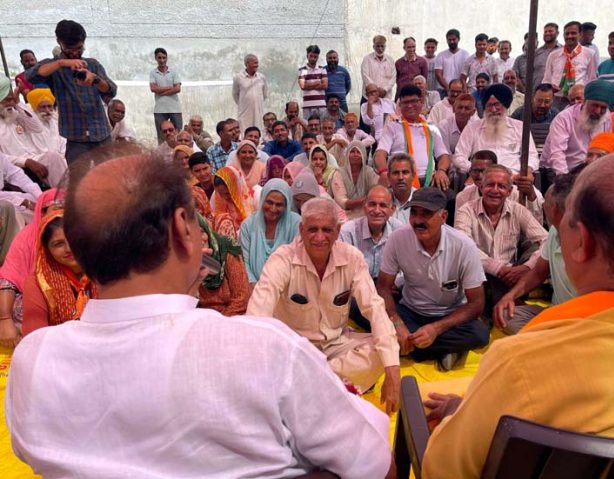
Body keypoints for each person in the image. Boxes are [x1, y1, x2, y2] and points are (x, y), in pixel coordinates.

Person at [7, 152, 393, 478]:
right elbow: (375, 464)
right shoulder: (266, 350)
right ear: (182, 228)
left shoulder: (32, 363)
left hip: (332, 346)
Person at [421, 153, 614, 478]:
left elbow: (442, 470)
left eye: (562, 221)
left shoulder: (520, 362)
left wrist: (460, 414)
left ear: (582, 242)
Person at [247, 197, 401, 410]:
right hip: (295, 349)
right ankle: (329, 384)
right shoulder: (282, 259)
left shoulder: (352, 258)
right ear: (301, 230)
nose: (320, 238)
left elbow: (374, 308)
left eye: (327, 230)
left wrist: (393, 370)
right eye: (313, 230)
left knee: (383, 351)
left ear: (338, 231)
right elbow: (258, 315)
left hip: (335, 343)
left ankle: (305, 386)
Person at [377, 188, 489, 371]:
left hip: (449, 317)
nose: (418, 221)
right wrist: (397, 323)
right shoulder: (398, 238)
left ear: (443, 216)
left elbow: (476, 303)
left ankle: (408, 347)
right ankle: (440, 349)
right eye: (414, 213)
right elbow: (383, 287)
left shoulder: (464, 246)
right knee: (362, 308)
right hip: (409, 311)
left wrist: (436, 329)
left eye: (426, 214)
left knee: (480, 334)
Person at [454, 165, 548, 320]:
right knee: (470, 265)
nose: (495, 190)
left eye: (502, 186)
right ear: (481, 186)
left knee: (541, 252)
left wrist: (526, 267)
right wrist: (497, 269)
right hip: (480, 274)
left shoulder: (518, 210)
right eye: (490, 185)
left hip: (512, 274)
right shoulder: (466, 210)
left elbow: (546, 239)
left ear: (510, 191)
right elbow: (464, 246)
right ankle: (515, 300)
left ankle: (500, 303)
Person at [493, 170, 580, 334]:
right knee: (506, 315)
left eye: (544, 203)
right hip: (556, 315)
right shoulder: (555, 232)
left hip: (586, 320)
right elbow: (539, 272)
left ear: (552, 209)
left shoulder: (589, 241)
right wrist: (510, 296)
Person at [25, 19, 117, 164]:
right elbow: (31, 75)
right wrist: (62, 63)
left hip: (101, 132)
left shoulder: (92, 64)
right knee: (78, 180)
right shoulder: (54, 67)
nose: (75, 53)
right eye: (69, 48)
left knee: (109, 177)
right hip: (76, 138)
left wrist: (96, 80)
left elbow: (111, 91)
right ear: (59, 42)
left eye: (79, 48)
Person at [22, 210, 97, 336]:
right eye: (58, 244)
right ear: (47, 250)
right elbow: (34, 335)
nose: (69, 249)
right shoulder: (39, 282)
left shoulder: (107, 273)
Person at [0, 190, 57, 349]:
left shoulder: (79, 236)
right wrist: (4, 320)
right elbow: (9, 279)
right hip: (31, 302)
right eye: (56, 209)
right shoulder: (28, 237)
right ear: (42, 212)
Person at [374, 85, 450, 191]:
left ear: (421, 102)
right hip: (402, 180)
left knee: (450, 198)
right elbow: (379, 154)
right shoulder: (393, 127)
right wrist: (384, 172)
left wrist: (441, 170)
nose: (410, 106)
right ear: (400, 105)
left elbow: (443, 156)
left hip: (429, 180)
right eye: (405, 102)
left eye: (414, 101)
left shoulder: (431, 127)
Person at [453, 83, 538, 175]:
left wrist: (528, 170)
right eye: (489, 105)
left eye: (497, 104)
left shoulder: (520, 127)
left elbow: (532, 156)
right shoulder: (472, 128)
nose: (493, 110)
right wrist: (474, 169)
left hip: (514, 178)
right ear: (484, 107)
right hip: (481, 179)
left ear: (505, 105)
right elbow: (459, 156)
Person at [0, 77, 68, 188]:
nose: (11, 103)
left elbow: (37, 128)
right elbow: (1, 158)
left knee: (53, 158)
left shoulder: (15, 114)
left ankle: (68, 196)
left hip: (35, 159)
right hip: (14, 167)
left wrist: (18, 103)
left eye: (12, 99)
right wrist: (26, 161)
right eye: (7, 100)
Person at [541, 79, 613, 175]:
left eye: (603, 108)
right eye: (595, 106)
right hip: (558, 171)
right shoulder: (564, 118)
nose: (598, 111)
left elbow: (606, 149)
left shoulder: (606, 118)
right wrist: (565, 179)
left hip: (589, 171)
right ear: (584, 102)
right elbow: (557, 154)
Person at [454, 150, 544, 224]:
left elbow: (536, 225)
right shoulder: (463, 197)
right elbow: (461, 235)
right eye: (476, 171)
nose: (480, 175)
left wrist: (531, 196)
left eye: (485, 171)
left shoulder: (516, 194)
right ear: (470, 172)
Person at [240, 179, 300, 284]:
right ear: (262, 200)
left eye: (279, 205)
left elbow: (298, 261)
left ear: (286, 206)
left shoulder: (296, 224)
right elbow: (245, 263)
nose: (273, 208)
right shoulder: (248, 226)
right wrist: (256, 290)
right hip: (254, 288)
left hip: (287, 288)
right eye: (269, 202)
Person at [339, 185, 403, 281]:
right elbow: (343, 272)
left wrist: (394, 283)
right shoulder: (348, 232)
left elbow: (406, 268)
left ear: (392, 209)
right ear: (365, 207)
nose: (377, 211)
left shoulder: (399, 231)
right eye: (372, 204)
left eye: (383, 205)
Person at [196, 214, 251, 316]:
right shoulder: (189, 259)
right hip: (202, 318)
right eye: (193, 235)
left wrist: (219, 323)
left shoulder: (227, 250)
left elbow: (242, 298)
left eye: (202, 232)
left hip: (232, 316)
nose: (199, 239)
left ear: (208, 232)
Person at [542, 21, 598, 109]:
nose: (569, 36)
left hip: (578, 100)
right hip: (557, 99)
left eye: (573, 33)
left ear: (580, 34)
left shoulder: (589, 54)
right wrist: (550, 87)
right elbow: (546, 80)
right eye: (567, 34)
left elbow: (592, 80)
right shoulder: (553, 55)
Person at [511, 83, 559, 155]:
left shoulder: (556, 116)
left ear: (552, 100)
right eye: (539, 101)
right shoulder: (519, 113)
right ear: (533, 98)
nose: (542, 105)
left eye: (547, 102)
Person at [336, 140, 379, 219]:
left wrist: (369, 200)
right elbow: (342, 202)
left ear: (364, 155)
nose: (355, 154)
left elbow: (376, 194)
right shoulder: (339, 173)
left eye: (359, 152)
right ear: (347, 154)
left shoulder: (369, 172)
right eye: (352, 151)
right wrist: (366, 200)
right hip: (344, 215)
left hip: (367, 214)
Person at [211, 165, 253, 240]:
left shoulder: (251, 199)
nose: (225, 197)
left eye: (228, 193)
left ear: (235, 188)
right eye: (220, 193)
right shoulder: (215, 197)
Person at [150, 48, 182, 143]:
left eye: (164, 57)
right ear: (156, 58)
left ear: (167, 58)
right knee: (162, 137)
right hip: (160, 109)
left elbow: (178, 89)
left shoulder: (173, 72)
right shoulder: (153, 73)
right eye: (159, 58)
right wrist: (170, 87)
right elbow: (153, 89)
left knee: (178, 134)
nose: (162, 60)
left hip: (175, 108)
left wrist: (161, 92)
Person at [232, 54, 267, 132]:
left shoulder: (261, 77)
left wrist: (256, 102)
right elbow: (235, 94)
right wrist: (244, 103)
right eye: (254, 63)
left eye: (257, 63)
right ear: (247, 64)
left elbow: (264, 94)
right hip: (245, 111)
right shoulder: (238, 77)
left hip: (258, 110)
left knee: (259, 130)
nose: (256, 65)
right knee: (245, 131)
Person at [26, 87, 66, 155]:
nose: (47, 111)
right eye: (43, 107)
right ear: (35, 108)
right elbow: (39, 150)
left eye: (49, 106)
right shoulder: (32, 127)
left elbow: (64, 142)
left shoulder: (56, 122)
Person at [434, 29, 470, 98]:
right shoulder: (441, 55)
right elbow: (438, 74)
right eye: (449, 40)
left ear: (458, 39)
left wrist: (461, 87)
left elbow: (466, 73)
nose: (451, 42)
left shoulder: (465, 54)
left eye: (454, 39)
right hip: (443, 90)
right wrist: (448, 88)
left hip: (460, 90)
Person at [361, 35, 397, 100]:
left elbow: (393, 77)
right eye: (378, 46)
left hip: (386, 97)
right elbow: (365, 76)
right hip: (369, 97)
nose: (380, 49)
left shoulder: (390, 60)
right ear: (373, 47)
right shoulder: (367, 59)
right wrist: (376, 90)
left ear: (385, 46)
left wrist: (385, 89)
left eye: (382, 46)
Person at [298, 45, 328, 119]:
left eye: (315, 57)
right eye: (311, 56)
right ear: (307, 56)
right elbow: (302, 86)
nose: (313, 58)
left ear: (318, 57)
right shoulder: (303, 70)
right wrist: (317, 83)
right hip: (307, 105)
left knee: (322, 126)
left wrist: (308, 84)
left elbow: (325, 85)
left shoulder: (322, 69)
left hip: (321, 105)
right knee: (308, 127)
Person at [387, 153, 417, 224]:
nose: (400, 177)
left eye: (405, 172)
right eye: (396, 173)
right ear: (388, 176)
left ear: (413, 175)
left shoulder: (422, 200)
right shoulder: (381, 201)